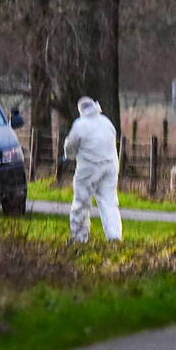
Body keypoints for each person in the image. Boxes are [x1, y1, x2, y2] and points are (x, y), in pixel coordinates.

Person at [64, 96, 122, 244]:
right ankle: (115, 237)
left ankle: (79, 238)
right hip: (110, 167)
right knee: (109, 203)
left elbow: (70, 147)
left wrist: (69, 155)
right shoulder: (106, 122)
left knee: (81, 202)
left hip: (88, 169)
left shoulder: (80, 125)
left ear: (81, 110)